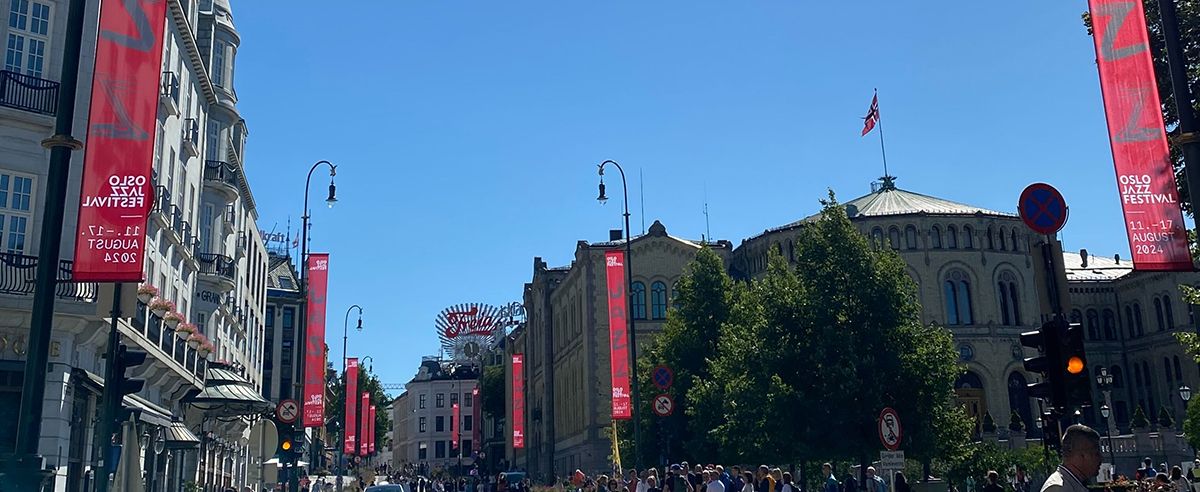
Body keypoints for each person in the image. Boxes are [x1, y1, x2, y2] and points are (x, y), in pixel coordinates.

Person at [1040, 424, 1101, 492]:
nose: (1100, 459)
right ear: (1081, 455)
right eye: (1096, 454)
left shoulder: (1071, 483)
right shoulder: (1057, 488)